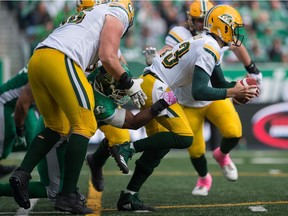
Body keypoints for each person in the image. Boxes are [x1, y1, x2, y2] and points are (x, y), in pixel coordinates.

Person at [112, 4, 259, 211]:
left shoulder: (209, 44)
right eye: (233, 28)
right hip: (157, 86)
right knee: (185, 137)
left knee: (159, 148)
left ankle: (129, 196)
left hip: (159, 86)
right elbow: (199, 91)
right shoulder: (209, 47)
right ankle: (126, 148)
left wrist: (239, 87)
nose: (236, 33)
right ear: (222, 28)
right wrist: (234, 93)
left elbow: (218, 84)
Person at [8, 0, 147, 214]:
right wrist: (129, 84)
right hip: (60, 59)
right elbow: (108, 57)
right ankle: (68, 195)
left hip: (38, 60)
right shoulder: (117, 12)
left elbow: (113, 59)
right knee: (85, 123)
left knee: (57, 127)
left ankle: (22, 174)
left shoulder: (85, 20)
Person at [145, 0, 263, 196]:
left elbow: (236, 47)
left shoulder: (220, 36)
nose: (200, 24)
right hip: (188, 100)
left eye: (204, 19)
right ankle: (204, 178)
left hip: (215, 94)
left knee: (234, 132)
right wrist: (155, 59)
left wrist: (252, 69)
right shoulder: (182, 34)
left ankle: (222, 155)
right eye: (198, 20)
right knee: (195, 149)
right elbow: (168, 53)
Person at [0, 65, 39, 179]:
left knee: (35, 138)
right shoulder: (44, 69)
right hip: (6, 101)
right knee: (7, 138)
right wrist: (20, 129)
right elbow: (22, 104)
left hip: (26, 103)